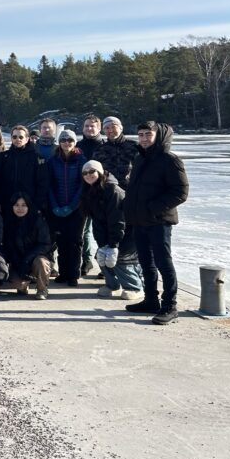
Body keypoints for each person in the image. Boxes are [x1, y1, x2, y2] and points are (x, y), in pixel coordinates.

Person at [123, 122, 189, 325]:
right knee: (145, 262)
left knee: (163, 263)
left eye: (148, 134)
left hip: (159, 221)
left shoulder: (170, 160)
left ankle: (170, 306)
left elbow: (180, 192)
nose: (143, 138)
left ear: (158, 136)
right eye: (141, 134)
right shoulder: (140, 158)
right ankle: (150, 299)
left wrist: (153, 208)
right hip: (139, 220)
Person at [80, 160, 144, 302]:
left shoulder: (113, 190)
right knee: (101, 257)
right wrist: (102, 244)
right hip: (111, 232)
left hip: (129, 232)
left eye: (92, 171)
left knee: (120, 259)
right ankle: (113, 285)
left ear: (100, 172)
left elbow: (118, 221)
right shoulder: (90, 191)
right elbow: (97, 222)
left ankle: (135, 287)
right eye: (85, 173)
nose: (88, 175)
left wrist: (114, 245)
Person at [46, 128, 86, 286]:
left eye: (70, 140)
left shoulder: (81, 160)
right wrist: (55, 205)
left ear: (74, 142)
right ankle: (63, 273)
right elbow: (49, 185)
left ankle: (73, 274)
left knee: (75, 241)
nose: (66, 143)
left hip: (77, 208)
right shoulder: (53, 161)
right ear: (59, 142)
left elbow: (83, 186)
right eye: (63, 140)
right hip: (57, 206)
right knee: (61, 241)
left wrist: (73, 205)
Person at [2, 192, 54, 300]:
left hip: (35, 257)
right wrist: (17, 262)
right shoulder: (8, 222)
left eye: (23, 205)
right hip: (18, 260)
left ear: (29, 206)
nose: (20, 208)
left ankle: (42, 289)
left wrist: (27, 259)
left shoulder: (37, 220)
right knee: (19, 284)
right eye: (17, 205)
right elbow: (8, 246)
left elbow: (45, 244)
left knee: (42, 263)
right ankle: (24, 284)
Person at [0, 124, 48, 215]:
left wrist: (38, 204)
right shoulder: (3, 157)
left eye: (21, 137)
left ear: (27, 139)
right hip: (8, 204)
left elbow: (42, 183)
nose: (18, 139)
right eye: (14, 137)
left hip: (29, 204)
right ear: (11, 138)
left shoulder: (37, 158)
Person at [76, 114, 105, 277]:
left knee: (102, 229)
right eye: (86, 126)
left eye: (92, 126)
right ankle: (86, 260)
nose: (89, 128)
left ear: (99, 128)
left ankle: (104, 264)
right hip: (83, 194)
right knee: (84, 230)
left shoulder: (104, 146)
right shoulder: (78, 146)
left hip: (101, 194)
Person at [94, 116, 139, 190]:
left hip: (131, 190)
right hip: (108, 191)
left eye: (113, 127)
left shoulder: (135, 146)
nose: (110, 130)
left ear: (121, 128)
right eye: (107, 128)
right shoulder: (100, 150)